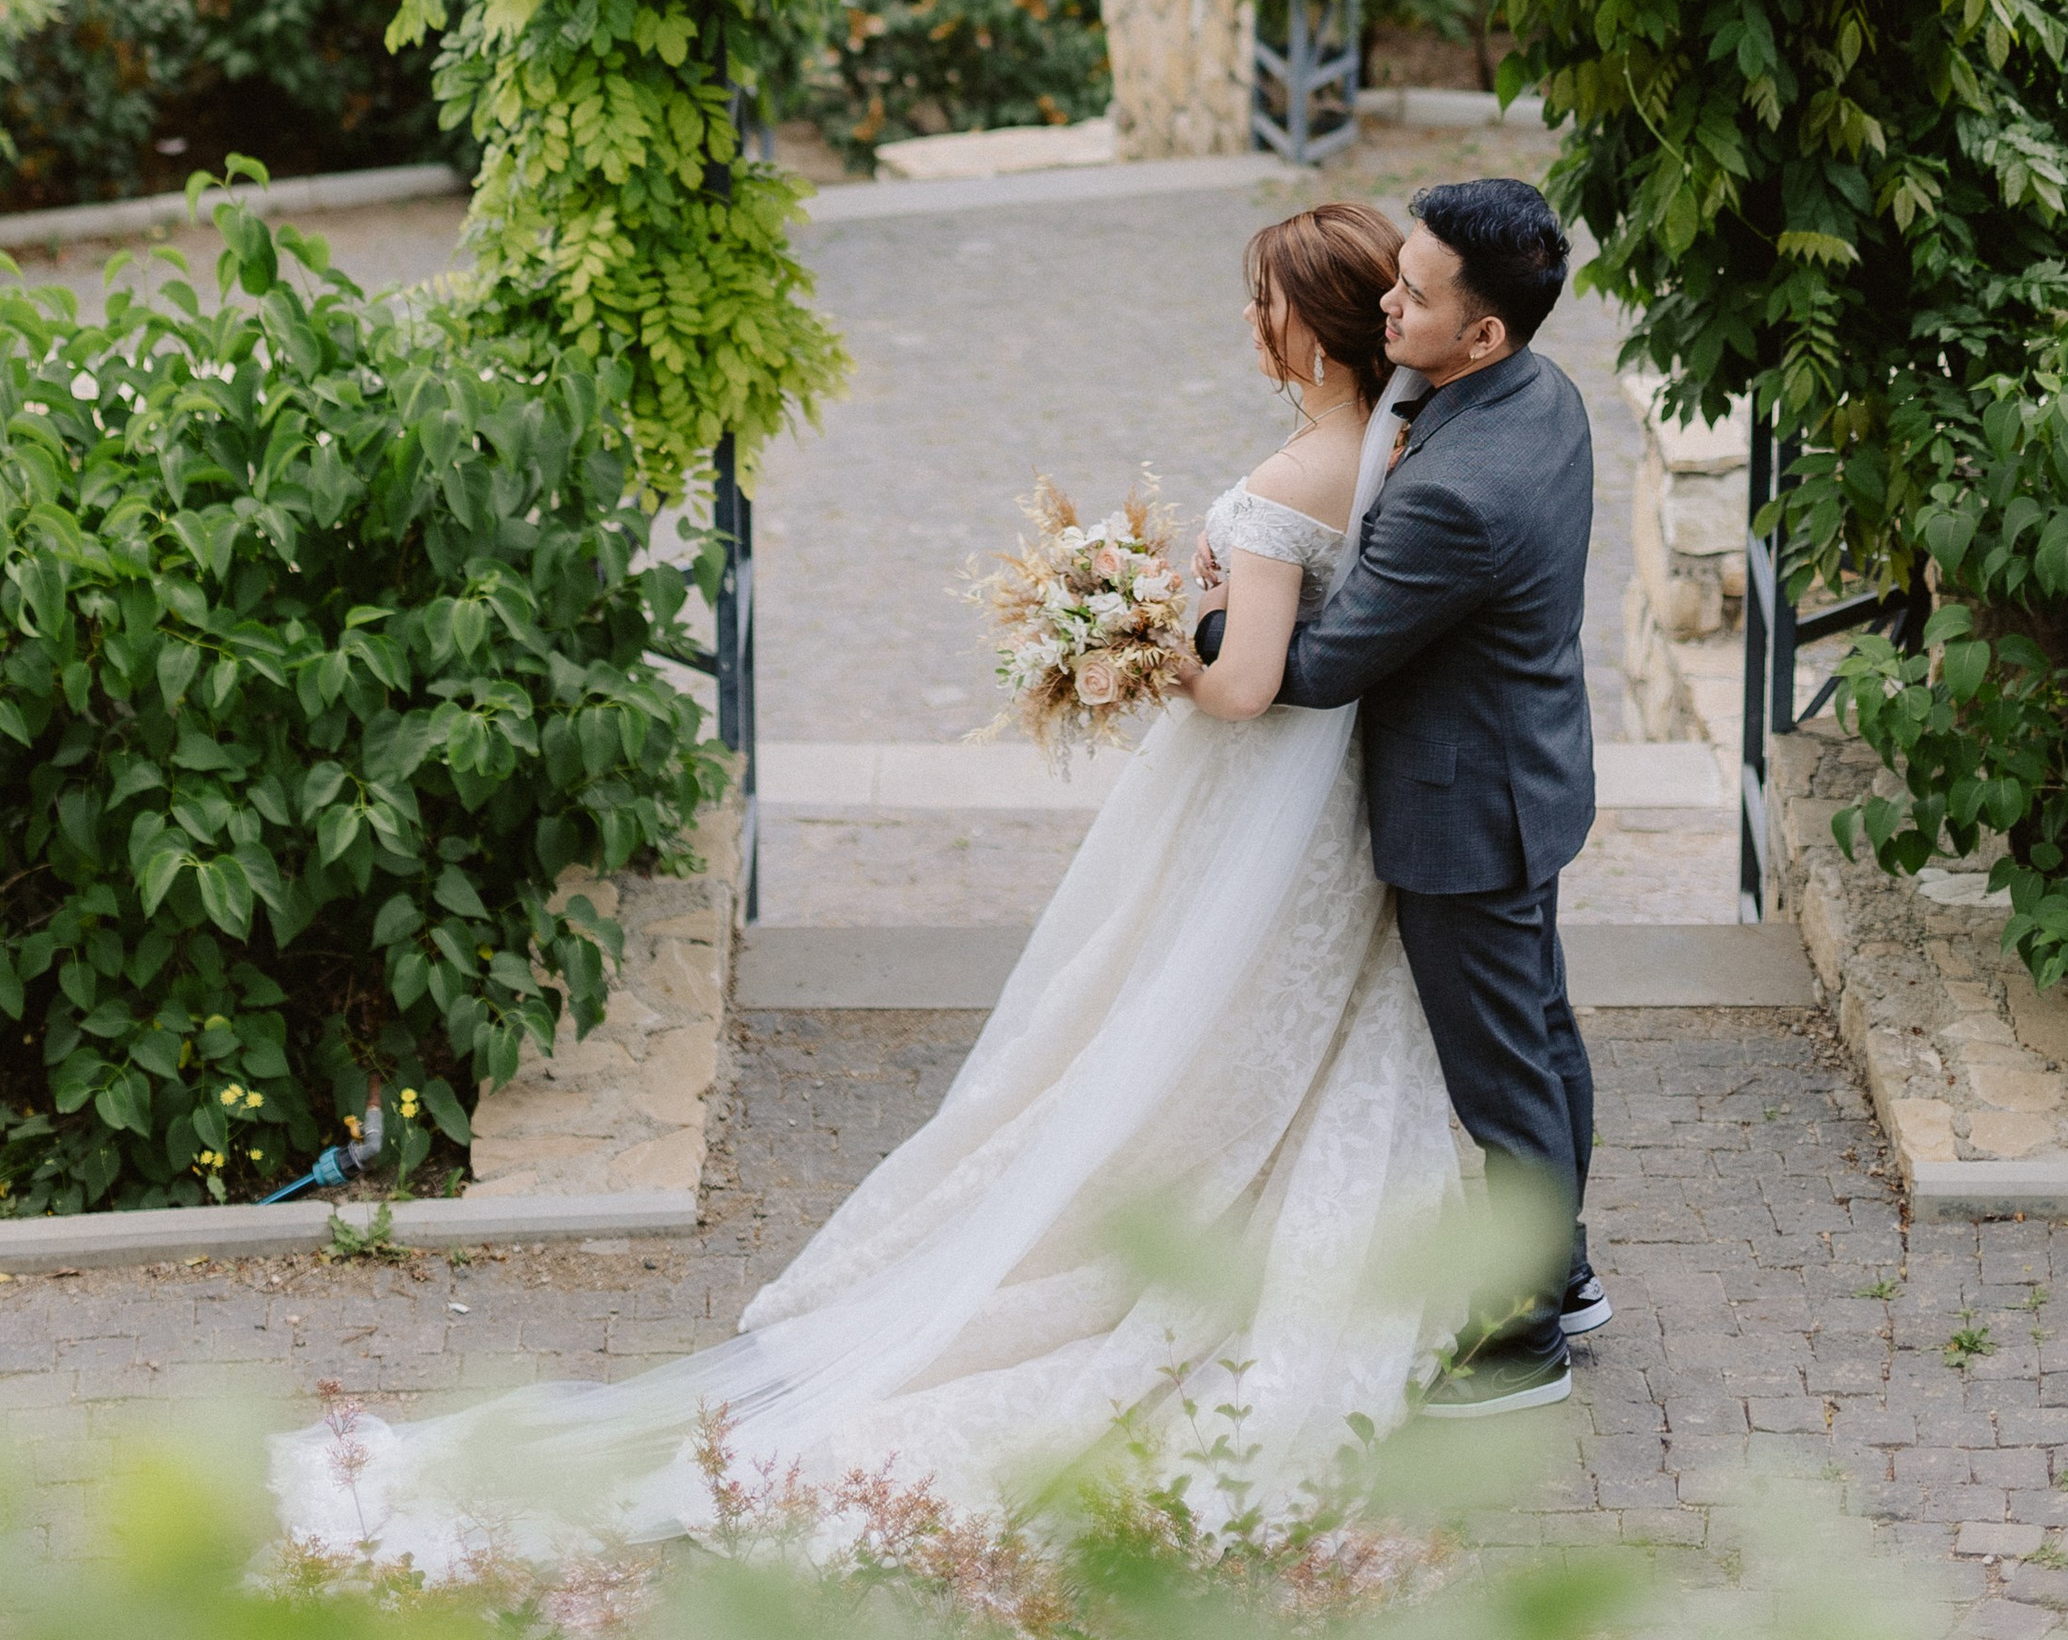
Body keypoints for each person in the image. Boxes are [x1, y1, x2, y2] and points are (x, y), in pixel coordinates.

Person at [275, 199, 1468, 1574]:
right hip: (1330, 811)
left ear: (1301, 329)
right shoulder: (1395, 452)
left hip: (1251, 790)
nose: (1249, 326)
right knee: (1262, 1023)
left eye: (1262, 302)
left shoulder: (1292, 481)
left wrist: (1152, 646)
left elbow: (1249, 683)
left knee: (1154, 1018)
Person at [1191, 177, 1595, 1415]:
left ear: (1484, 331)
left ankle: (1527, 1335)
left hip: (1462, 809)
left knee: (1502, 1078)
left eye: (1412, 296)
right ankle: (1567, 1273)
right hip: (1528, 766)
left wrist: (1202, 614)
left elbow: (1313, 666)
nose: (1385, 302)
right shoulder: (1540, 394)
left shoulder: (1455, 498)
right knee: (1541, 1036)